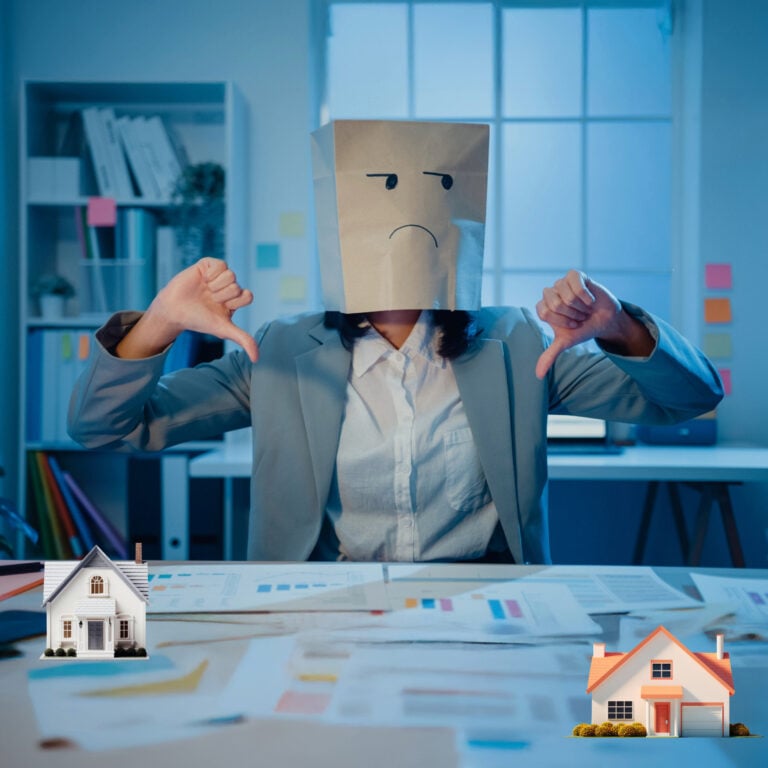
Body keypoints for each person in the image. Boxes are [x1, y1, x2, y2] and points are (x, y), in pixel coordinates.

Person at [68, 121, 723, 565]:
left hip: (483, 610)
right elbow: (104, 428)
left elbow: (690, 400)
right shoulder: (282, 352)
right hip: (323, 606)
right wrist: (158, 322)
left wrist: (618, 328)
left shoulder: (519, 345)